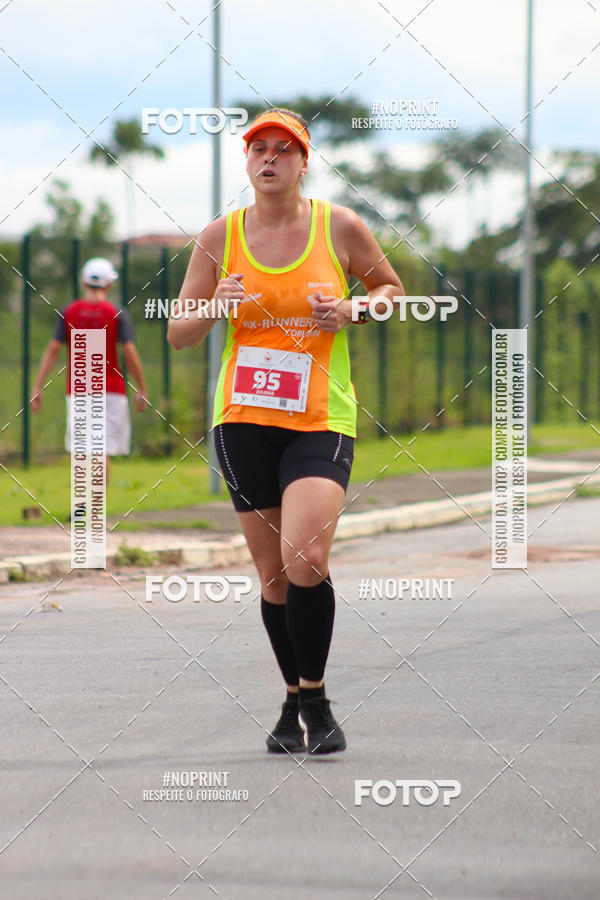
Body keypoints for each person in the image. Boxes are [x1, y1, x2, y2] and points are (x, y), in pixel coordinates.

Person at [168, 109, 404, 754]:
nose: (269, 159)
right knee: (272, 576)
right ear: (246, 163)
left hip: (320, 418)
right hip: (243, 422)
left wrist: (354, 308)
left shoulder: (340, 226)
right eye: (258, 150)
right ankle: (293, 700)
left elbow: (390, 288)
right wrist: (216, 304)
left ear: (305, 163)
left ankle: (318, 700)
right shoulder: (220, 236)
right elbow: (179, 332)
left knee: (307, 558)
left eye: (284, 150)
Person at [31, 257, 148, 487]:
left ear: (84, 283)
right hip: (111, 390)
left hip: (80, 389)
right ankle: (94, 507)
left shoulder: (69, 311)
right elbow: (129, 352)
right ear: (108, 285)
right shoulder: (115, 312)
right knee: (100, 449)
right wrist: (141, 387)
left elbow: (54, 349)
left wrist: (38, 386)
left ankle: (83, 507)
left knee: (84, 450)